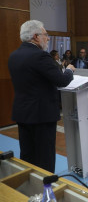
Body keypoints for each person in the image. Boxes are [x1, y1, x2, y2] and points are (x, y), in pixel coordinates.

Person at [8, 20, 75, 172]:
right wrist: (69, 70)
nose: (48, 38)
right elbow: (62, 80)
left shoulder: (14, 55)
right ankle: (45, 192)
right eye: (46, 35)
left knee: (27, 155)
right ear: (36, 36)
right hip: (41, 116)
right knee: (45, 158)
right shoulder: (40, 56)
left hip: (22, 113)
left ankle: (28, 188)